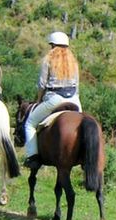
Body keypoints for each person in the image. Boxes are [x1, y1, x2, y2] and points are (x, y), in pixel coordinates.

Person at [23, 31, 82, 168]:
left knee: (30, 124)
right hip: (74, 100)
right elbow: (77, 86)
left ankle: (33, 157)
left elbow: (42, 84)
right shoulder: (73, 62)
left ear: (53, 45)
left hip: (54, 99)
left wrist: (39, 100)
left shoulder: (48, 59)